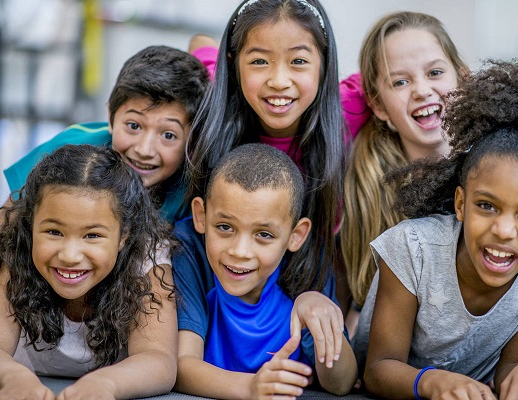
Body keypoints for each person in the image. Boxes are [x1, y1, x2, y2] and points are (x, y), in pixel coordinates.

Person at [358, 53, 518, 400]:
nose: (505, 230)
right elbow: (378, 368)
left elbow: (513, 366)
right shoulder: (413, 248)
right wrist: (433, 382)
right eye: (487, 206)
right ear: (461, 204)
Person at [0, 45, 210, 274]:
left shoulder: (192, 185)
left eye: (168, 135)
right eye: (133, 126)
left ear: (193, 139)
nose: (144, 149)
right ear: (110, 117)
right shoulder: (70, 151)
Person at [185, 0, 361, 300]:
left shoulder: (347, 108)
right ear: (233, 63)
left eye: (299, 61)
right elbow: (200, 43)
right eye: (259, 61)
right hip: (221, 290)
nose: (279, 81)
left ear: (324, 65)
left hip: (309, 286)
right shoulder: (218, 94)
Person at [0, 144, 178, 399]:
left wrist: (106, 384)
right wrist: (14, 379)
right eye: (54, 232)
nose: (70, 256)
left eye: (92, 235)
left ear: (123, 237)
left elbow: (159, 359)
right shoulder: (17, 250)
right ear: (31, 227)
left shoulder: (146, 259)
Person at [172, 143, 358, 399]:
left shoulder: (309, 260)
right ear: (201, 216)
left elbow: (341, 383)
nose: (240, 251)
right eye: (225, 227)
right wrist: (251, 388)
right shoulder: (188, 249)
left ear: (296, 235)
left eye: (264, 234)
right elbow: (181, 366)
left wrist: (317, 310)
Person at [340, 11, 469, 336]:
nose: (422, 90)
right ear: (379, 106)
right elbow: (359, 296)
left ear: (463, 79)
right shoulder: (366, 187)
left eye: (435, 72)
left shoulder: (497, 167)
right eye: (400, 81)